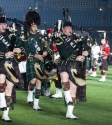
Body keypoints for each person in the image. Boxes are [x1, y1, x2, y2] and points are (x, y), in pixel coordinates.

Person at [54, 21, 88, 119]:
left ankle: (69, 113)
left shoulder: (77, 39)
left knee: (73, 89)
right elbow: (63, 53)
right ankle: (67, 97)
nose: (70, 30)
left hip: (75, 65)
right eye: (67, 28)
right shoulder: (59, 39)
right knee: (64, 75)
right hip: (64, 63)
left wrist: (86, 52)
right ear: (63, 29)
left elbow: (86, 47)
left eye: (70, 28)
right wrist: (76, 57)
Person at [0, 7, 23, 122]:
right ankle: (2, 102)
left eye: (4, 24)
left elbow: (19, 47)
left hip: (11, 63)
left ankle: (5, 114)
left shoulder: (11, 35)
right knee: (1, 82)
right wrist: (5, 54)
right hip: (0, 62)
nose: (4, 26)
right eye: (2, 24)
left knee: (9, 88)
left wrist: (18, 50)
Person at [25, 10, 48, 110]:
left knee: (39, 81)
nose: (36, 28)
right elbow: (25, 51)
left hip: (40, 62)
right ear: (30, 25)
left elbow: (45, 46)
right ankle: (30, 93)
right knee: (33, 80)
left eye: (36, 26)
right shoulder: (26, 37)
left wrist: (45, 51)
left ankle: (36, 104)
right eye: (34, 26)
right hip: (31, 60)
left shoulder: (40, 36)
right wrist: (35, 55)